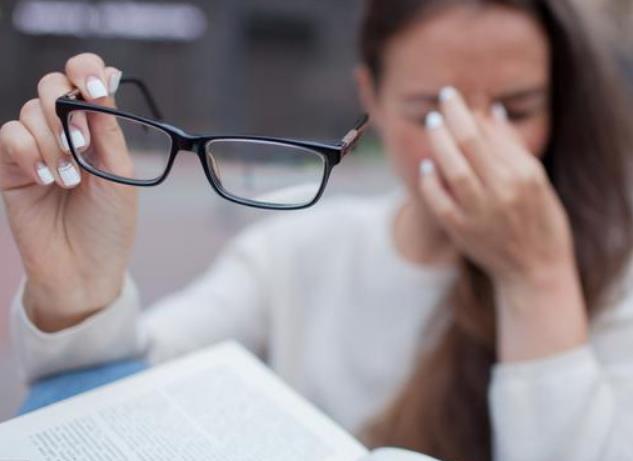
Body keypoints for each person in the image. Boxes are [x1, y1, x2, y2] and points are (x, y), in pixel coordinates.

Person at [2, 0, 633, 460]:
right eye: (432, 111)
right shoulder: (298, 250)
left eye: (516, 109)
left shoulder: (611, 281)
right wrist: (80, 286)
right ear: (373, 102)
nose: (476, 143)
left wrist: (537, 276)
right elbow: (123, 402)